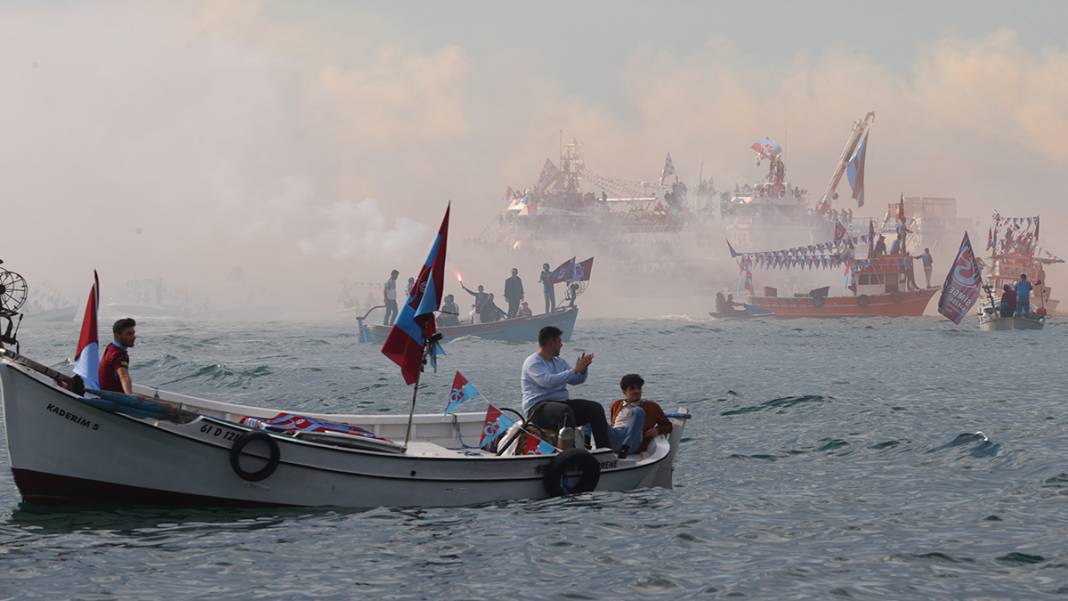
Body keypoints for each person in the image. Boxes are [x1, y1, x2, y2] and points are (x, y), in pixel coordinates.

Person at [521, 326, 611, 450]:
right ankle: (569, 455)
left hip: (561, 405)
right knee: (565, 411)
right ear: (551, 342)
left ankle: (604, 451)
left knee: (595, 408)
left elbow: (575, 380)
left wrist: (583, 369)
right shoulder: (533, 362)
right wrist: (575, 370)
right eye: (559, 341)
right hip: (538, 409)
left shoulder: (559, 362)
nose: (561, 344)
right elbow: (547, 381)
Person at [609, 374, 674, 457]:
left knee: (637, 410)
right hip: (615, 437)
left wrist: (657, 430)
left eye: (639, 388)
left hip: (633, 442)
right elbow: (613, 423)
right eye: (632, 388)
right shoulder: (616, 404)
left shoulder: (651, 406)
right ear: (624, 391)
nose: (637, 391)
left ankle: (625, 447)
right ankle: (588, 447)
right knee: (593, 410)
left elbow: (668, 425)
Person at [99, 318, 137, 394]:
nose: (133, 337)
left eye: (133, 333)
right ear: (117, 336)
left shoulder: (111, 347)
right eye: (129, 334)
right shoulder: (119, 355)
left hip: (105, 393)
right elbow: (124, 376)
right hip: (113, 399)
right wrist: (130, 395)